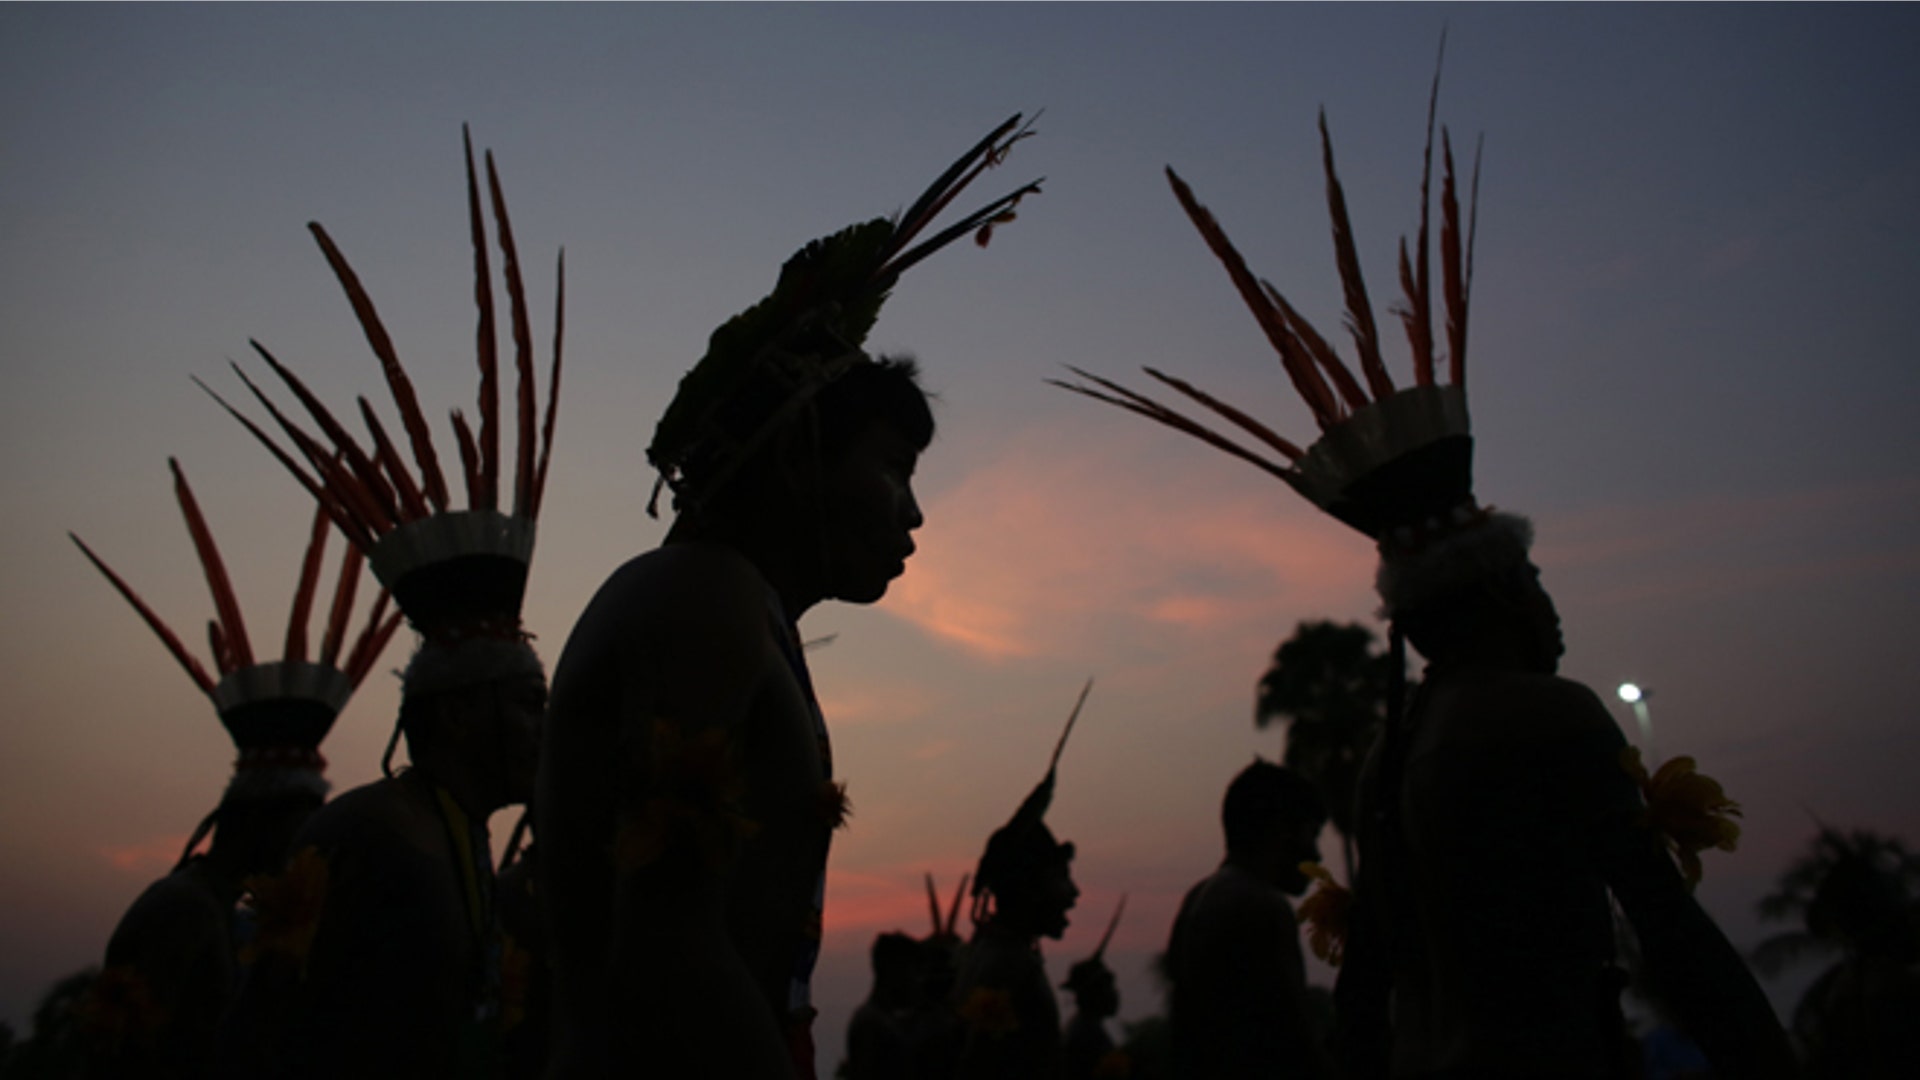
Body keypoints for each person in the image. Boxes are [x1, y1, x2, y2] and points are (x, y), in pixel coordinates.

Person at [1058, 76, 1796, 1080]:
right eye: (1533, 576)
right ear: (1496, 592)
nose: (1551, 605)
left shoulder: (1389, 758)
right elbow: (1672, 931)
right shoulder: (1551, 715)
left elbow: (1365, 991)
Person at [537, 116, 1039, 1080]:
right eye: (895, 468)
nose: (915, 512)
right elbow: (666, 951)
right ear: (800, 455)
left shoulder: (735, 608)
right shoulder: (703, 595)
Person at [212, 128, 564, 1077]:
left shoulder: (453, 839)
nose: (546, 726)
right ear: (459, 714)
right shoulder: (374, 835)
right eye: (528, 703)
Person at [70, 471, 400, 1079]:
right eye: (300, 821)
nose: (306, 844)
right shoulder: (181, 911)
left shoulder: (233, 913)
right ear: (257, 819)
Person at [951, 681, 1090, 1080]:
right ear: (1030, 885)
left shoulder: (994, 954)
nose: (1074, 893)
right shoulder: (1006, 966)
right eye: (1062, 877)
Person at [1164, 762, 1331, 1079]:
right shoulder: (1262, 905)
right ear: (1282, 830)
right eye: (1312, 834)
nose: (1318, 854)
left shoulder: (1197, 899)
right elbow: (1296, 1044)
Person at [1059, 896, 1128, 1080]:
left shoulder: (1085, 1029)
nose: (1115, 993)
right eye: (1108, 987)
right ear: (1093, 993)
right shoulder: (1086, 1035)